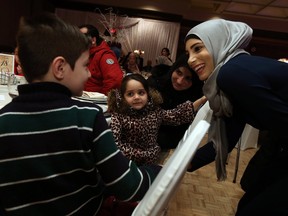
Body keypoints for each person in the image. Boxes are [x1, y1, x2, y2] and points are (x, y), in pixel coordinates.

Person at [0, 13, 161, 215]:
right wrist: (160, 172)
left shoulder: (3, 119)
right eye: (85, 65)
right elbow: (129, 187)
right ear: (60, 68)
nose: (90, 73)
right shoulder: (87, 117)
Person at [185, 18, 288, 215]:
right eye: (188, 53)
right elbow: (226, 140)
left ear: (219, 43)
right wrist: (184, 164)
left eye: (197, 49)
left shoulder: (232, 73)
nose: (190, 59)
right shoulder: (230, 76)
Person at [107, 73, 205, 166]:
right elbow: (114, 143)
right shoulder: (118, 115)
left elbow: (175, 115)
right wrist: (141, 155)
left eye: (141, 93)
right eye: (130, 94)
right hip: (127, 164)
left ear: (148, 94)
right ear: (123, 97)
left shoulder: (154, 111)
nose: (136, 97)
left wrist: (199, 102)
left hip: (151, 163)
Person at [148, 54, 204, 149]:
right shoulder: (154, 84)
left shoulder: (194, 96)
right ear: (173, 68)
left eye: (188, 78)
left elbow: (177, 136)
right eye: (179, 72)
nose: (179, 81)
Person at [79, 24, 123, 95]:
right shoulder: (84, 55)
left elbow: (115, 80)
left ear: (93, 40)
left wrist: (102, 98)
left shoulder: (104, 55)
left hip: (95, 102)